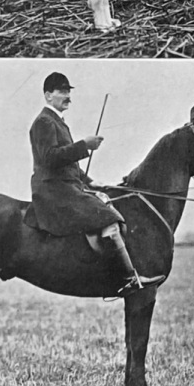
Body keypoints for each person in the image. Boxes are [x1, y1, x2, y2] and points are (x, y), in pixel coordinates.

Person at [25, 72, 149, 296]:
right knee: (109, 219)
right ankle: (129, 277)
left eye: (68, 91)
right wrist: (84, 145)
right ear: (47, 95)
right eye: (62, 91)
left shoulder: (58, 123)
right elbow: (50, 158)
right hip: (53, 191)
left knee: (107, 201)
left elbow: (68, 165)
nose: (67, 96)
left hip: (65, 186)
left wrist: (92, 182)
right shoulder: (44, 122)